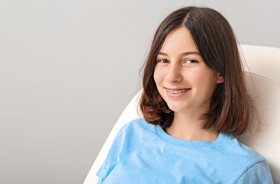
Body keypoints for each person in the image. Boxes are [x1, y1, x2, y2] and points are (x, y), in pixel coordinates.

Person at [97, 6, 274, 183]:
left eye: (190, 61)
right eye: (163, 60)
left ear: (221, 72)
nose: (172, 77)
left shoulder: (243, 169)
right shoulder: (131, 134)